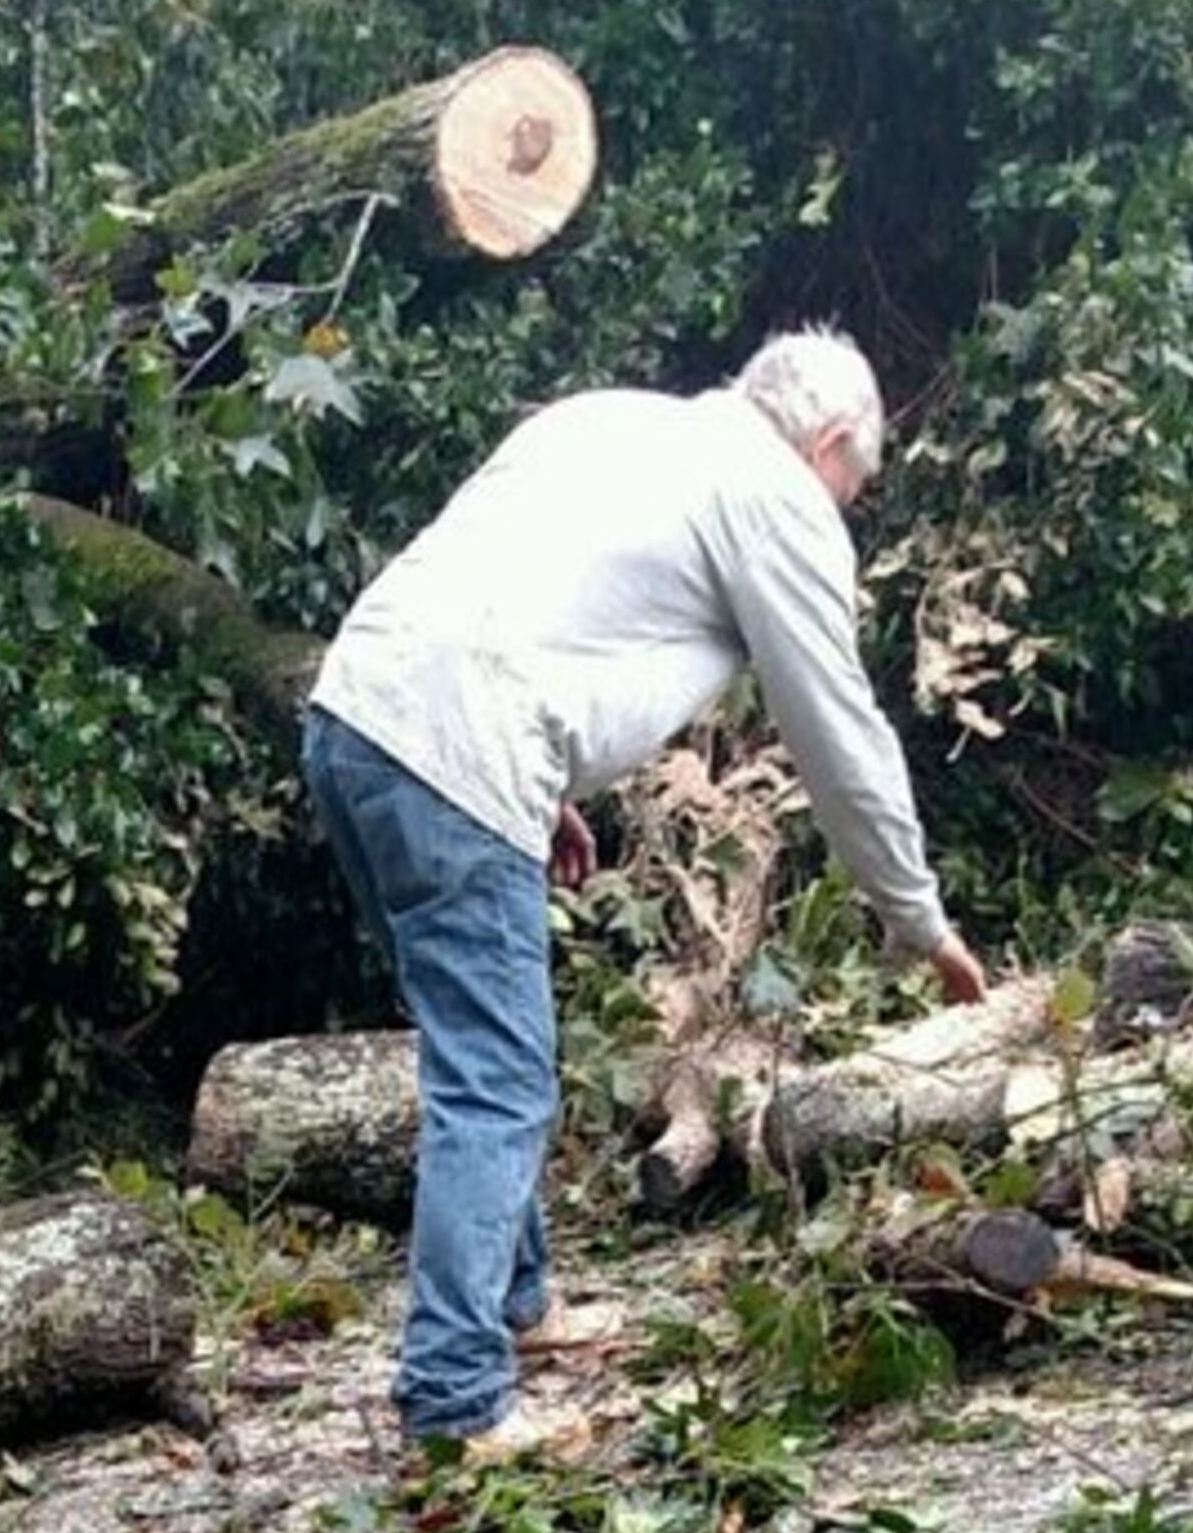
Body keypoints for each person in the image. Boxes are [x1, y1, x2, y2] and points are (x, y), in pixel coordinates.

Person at [304, 324, 991, 1467]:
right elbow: (840, 734)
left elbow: (514, 607)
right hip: (453, 752)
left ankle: (521, 1309)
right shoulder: (771, 493)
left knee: (482, 1060)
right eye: (851, 488)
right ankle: (456, 1398)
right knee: (499, 1080)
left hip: (357, 726)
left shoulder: (614, 420)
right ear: (825, 444)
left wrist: (544, 789)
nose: (843, 512)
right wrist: (917, 919)